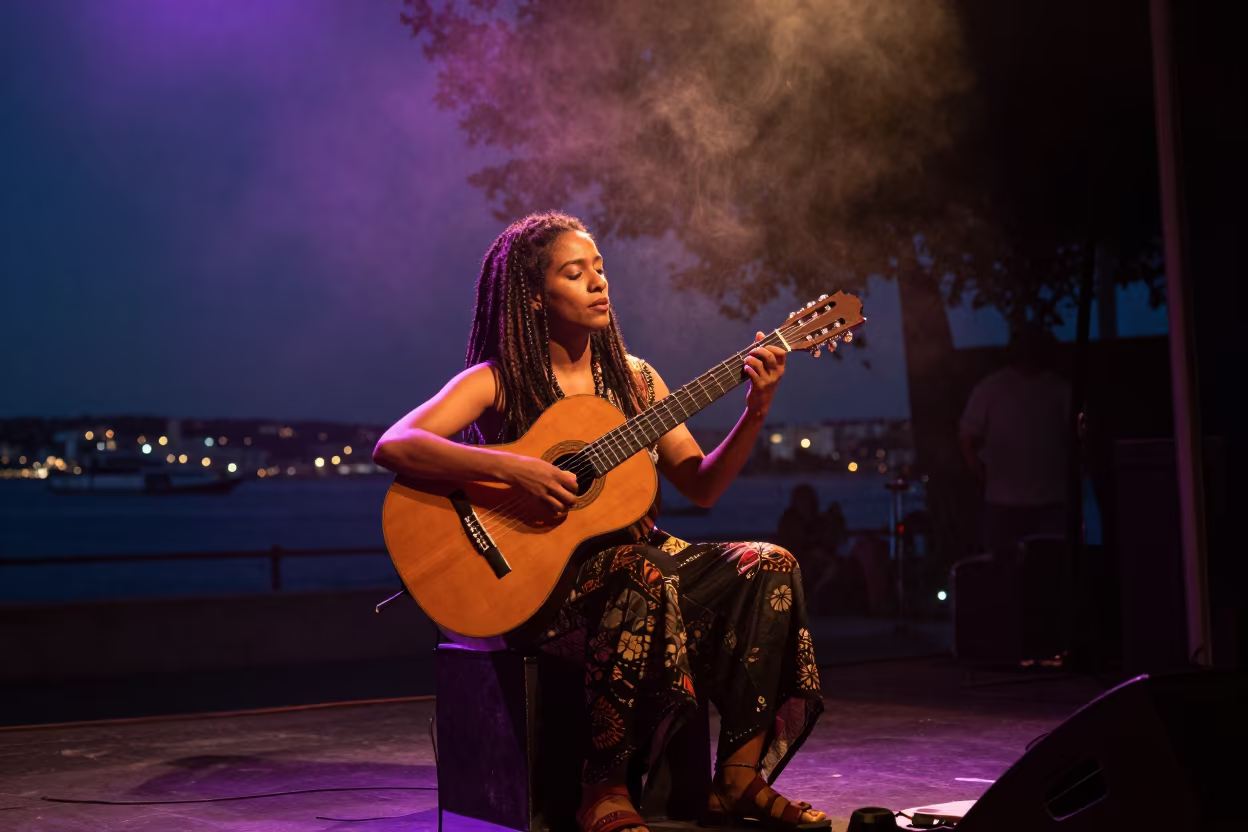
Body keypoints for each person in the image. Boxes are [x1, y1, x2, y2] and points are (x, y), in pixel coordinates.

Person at [373, 212, 827, 832]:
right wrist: (516, 471)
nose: (597, 283)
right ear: (534, 294)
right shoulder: (499, 381)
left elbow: (701, 484)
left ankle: (740, 777)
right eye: (574, 272)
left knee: (769, 564)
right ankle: (603, 788)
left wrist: (756, 411)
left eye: (600, 269)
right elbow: (396, 445)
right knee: (637, 571)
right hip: (543, 589)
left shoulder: (637, 381)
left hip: (640, 570)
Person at [958, 325, 1072, 561]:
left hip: (1048, 500)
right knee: (1007, 570)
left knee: (1047, 567)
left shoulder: (1059, 389)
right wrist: (978, 470)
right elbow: (967, 436)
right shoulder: (993, 388)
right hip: (1007, 501)